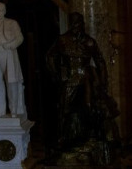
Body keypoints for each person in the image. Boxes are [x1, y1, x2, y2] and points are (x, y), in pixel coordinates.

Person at [46, 12, 109, 150]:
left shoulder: (89, 41)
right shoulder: (63, 40)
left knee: (89, 108)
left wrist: (103, 82)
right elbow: (50, 56)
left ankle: (90, 138)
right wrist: (56, 74)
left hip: (86, 78)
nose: (77, 26)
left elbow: (100, 61)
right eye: (75, 23)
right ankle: (62, 139)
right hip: (69, 79)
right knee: (64, 108)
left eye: (80, 23)